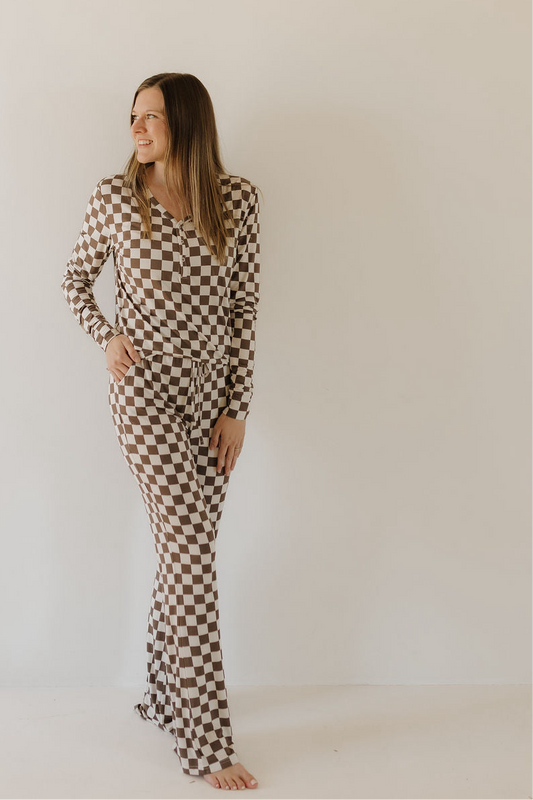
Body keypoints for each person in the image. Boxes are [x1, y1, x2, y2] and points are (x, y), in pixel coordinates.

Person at [60, 72, 260, 791]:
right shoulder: (115, 199)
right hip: (141, 391)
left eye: (151, 117)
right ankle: (206, 743)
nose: (137, 129)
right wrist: (105, 334)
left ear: (186, 123)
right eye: (133, 117)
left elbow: (243, 310)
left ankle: (162, 695)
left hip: (209, 404)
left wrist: (236, 407)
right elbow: (74, 281)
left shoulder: (236, 201)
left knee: (186, 549)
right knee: (189, 551)